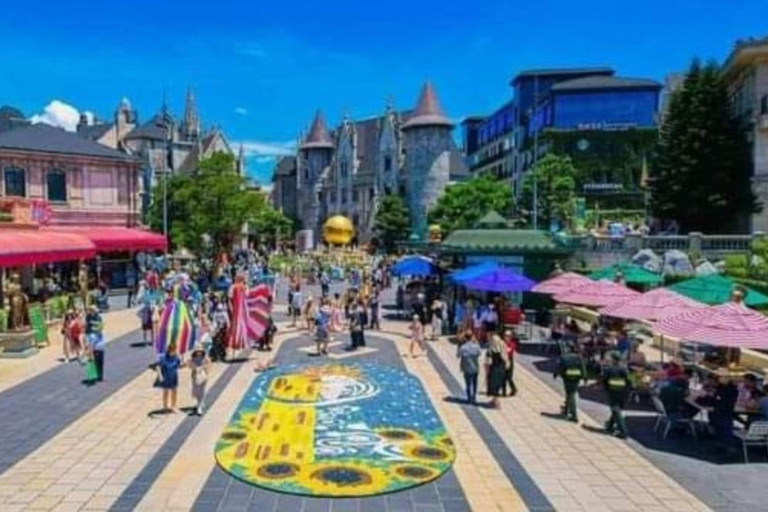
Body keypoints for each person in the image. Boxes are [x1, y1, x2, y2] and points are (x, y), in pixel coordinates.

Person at [602, 351, 630, 438]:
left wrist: (606, 389)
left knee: (615, 410)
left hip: (612, 392)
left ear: (613, 359)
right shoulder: (624, 369)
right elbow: (629, 381)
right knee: (616, 409)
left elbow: (605, 381)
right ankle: (610, 426)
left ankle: (623, 431)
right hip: (623, 392)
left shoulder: (608, 369)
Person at [554, 343, 583, 422]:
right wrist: (584, 377)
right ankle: (566, 409)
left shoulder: (564, 357)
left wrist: (556, 374)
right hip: (576, 378)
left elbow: (559, 366)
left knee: (571, 394)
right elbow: (582, 367)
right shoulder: (579, 357)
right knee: (570, 393)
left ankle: (574, 414)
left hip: (567, 378)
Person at [457, 331, 482, 404]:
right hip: (475, 367)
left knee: (468, 384)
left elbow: (458, 355)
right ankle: (474, 396)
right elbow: (480, 353)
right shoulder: (476, 346)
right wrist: (476, 342)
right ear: (472, 337)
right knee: (474, 383)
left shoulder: (463, 347)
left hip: (466, 368)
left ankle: (469, 398)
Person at [156, 345, 183, 413]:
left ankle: (173, 406)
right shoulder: (163, 357)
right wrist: (160, 376)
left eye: (174, 350)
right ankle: (165, 407)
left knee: (174, 392)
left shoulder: (176, 357)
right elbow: (158, 366)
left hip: (174, 377)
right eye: (171, 350)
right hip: (166, 377)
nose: (173, 352)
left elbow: (179, 366)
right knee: (166, 392)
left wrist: (184, 364)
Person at [486, 334, 509, 408]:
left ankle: (497, 403)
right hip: (501, 370)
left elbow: (488, 362)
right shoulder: (503, 348)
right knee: (498, 386)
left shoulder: (490, 350)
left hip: (494, 370)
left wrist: (486, 372)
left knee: (493, 386)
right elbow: (506, 360)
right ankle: (494, 400)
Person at [85, 305, 106, 382]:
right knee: (96, 361)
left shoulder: (98, 318)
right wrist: (89, 350)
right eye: (93, 310)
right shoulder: (90, 320)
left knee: (100, 362)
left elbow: (100, 327)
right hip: (96, 346)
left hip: (100, 346)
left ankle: (100, 376)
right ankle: (96, 376)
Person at [189, 347, 211, 415]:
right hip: (195, 377)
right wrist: (195, 367)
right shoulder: (192, 359)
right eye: (198, 351)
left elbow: (209, 365)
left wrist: (205, 371)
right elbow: (190, 366)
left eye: (200, 351)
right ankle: (200, 403)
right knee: (196, 391)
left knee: (202, 391)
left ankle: (199, 406)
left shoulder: (205, 358)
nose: (199, 353)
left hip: (203, 377)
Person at [502, 330, 518, 396]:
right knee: (503, 377)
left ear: (511, 337)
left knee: (509, 377)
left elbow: (509, 351)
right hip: (503, 360)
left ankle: (514, 389)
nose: (506, 337)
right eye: (505, 335)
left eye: (508, 336)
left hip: (509, 361)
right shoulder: (502, 343)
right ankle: (504, 392)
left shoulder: (512, 344)